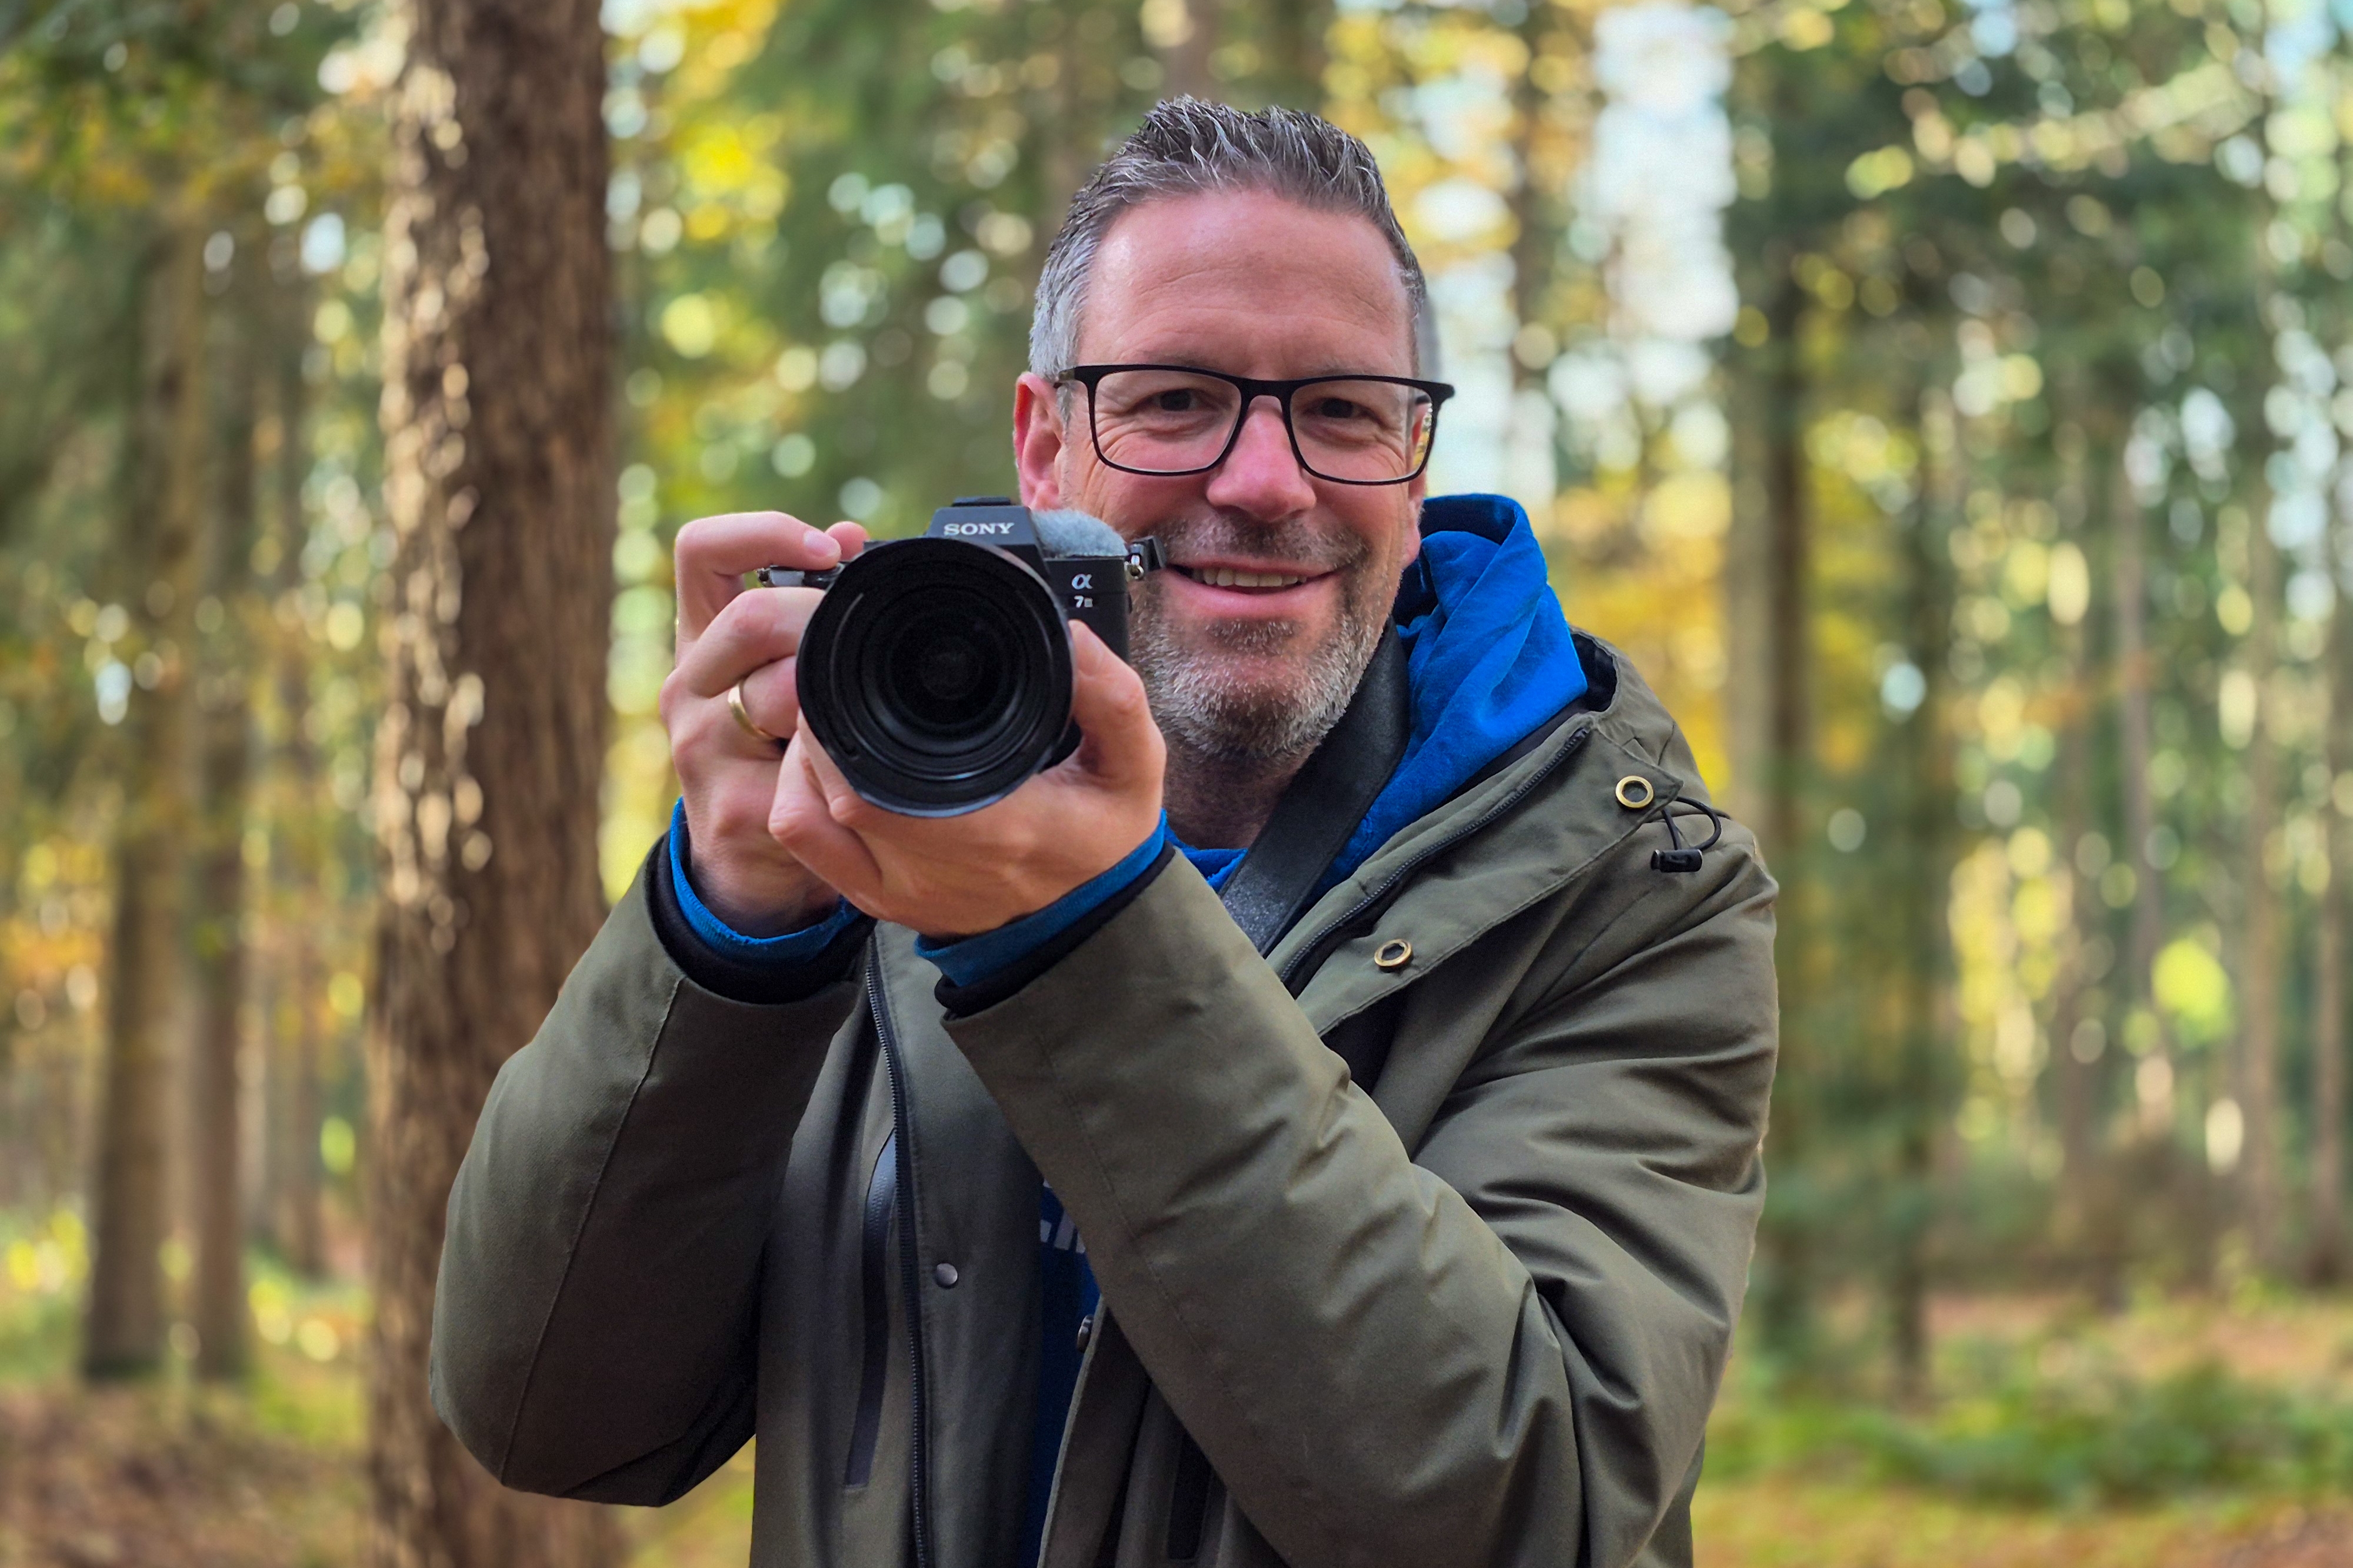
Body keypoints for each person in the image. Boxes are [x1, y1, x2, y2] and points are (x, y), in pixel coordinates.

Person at [431, 99, 1778, 1568]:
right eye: (1175, 398)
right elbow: (552, 1417)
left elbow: (1535, 1506)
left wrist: (1076, 938)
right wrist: (731, 931)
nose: (1263, 482)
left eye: (1342, 410)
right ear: (1042, 440)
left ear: (1414, 458)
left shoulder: (1626, 882)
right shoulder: (867, 823)